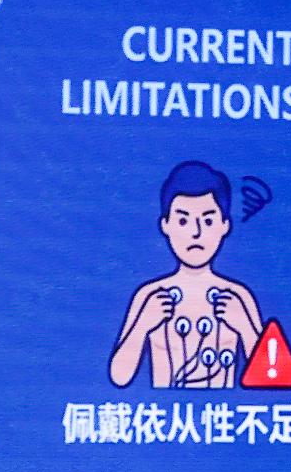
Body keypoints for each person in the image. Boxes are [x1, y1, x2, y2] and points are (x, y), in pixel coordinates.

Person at [109, 161, 263, 390]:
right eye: (183, 220)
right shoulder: (149, 295)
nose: (196, 233)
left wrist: (244, 327)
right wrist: (142, 325)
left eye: (208, 221)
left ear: (225, 225)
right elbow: (119, 377)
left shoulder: (238, 296)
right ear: (165, 225)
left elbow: (269, 377)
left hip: (222, 411)